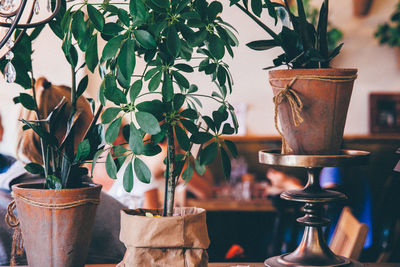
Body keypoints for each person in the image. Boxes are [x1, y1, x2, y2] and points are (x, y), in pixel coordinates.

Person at [0, 77, 125, 265]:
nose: (99, 143)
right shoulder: (111, 214)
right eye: (93, 133)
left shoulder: (5, 202)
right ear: (64, 141)